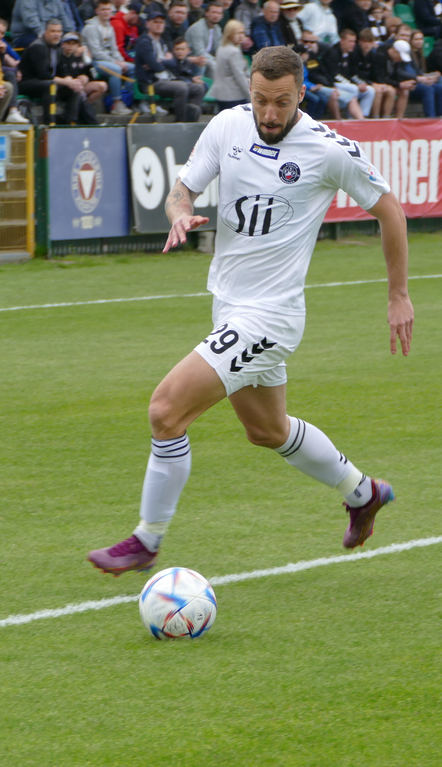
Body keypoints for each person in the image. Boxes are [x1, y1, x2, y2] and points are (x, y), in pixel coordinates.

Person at [87, 44, 413, 577]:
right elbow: (181, 191)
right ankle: (363, 492)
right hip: (229, 307)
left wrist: (398, 295)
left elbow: (391, 212)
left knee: (166, 411)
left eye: (281, 102)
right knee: (267, 431)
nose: (269, 114)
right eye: (260, 100)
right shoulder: (227, 127)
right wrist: (181, 213)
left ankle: (146, 539)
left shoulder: (329, 151)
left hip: (270, 318)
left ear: (301, 94)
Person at [133, 8, 205, 121]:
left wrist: (161, 61)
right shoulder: (144, 42)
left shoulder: (162, 42)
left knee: (198, 88)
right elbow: (157, 67)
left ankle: (191, 118)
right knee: (181, 87)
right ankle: (180, 121)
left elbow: (174, 63)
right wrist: (163, 61)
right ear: (148, 24)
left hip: (167, 80)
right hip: (151, 83)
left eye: (161, 22)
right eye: (155, 22)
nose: (159, 25)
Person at [19, 18, 84, 123]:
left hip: (49, 82)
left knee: (75, 88)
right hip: (28, 83)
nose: (56, 34)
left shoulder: (58, 47)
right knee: (50, 85)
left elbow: (63, 69)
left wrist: (71, 81)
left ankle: (70, 122)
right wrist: (65, 81)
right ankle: (50, 123)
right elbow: (43, 74)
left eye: (59, 31)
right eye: (53, 31)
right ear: (45, 32)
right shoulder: (38, 46)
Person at [83, 0, 135, 114]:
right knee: (115, 70)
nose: (106, 12)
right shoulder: (91, 27)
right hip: (94, 62)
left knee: (133, 68)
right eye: (103, 9)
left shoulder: (109, 26)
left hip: (108, 60)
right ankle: (116, 104)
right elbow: (96, 52)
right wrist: (116, 63)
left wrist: (121, 61)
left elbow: (114, 48)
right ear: (97, 11)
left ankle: (127, 100)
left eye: (108, 9)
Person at [321, 28, 375, 116]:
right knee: (354, 88)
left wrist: (360, 83)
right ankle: (350, 117)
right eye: (350, 41)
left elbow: (352, 73)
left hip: (347, 83)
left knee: (370, 91)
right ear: (342, 40)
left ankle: (364, 116)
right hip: (333, 83)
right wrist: (354, 84)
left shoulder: (350, 54)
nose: (353, 44)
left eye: (354, 41)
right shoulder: (332, 53)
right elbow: (334, 75)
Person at [58, 30, 107, 116]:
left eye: (74, 44)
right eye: (69, 43)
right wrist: (74, 57)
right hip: (67, 87)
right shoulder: (63, 56)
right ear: (63, 44)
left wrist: (88, 62)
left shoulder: (82, 57)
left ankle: (85, 106)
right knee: (79, 83)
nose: (71, 46)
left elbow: (94, 76)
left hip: (82, 85)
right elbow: (65, 74)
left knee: (102, 86)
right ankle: (83, 111)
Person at [207, 18, 249, 107]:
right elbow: (240, 76)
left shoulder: (221, 48)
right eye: (238, 33)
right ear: (230, 34)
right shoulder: (234, 51)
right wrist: (250, 94)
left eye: (243, 33)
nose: (241, 36)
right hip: (234, 96)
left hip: (221, 95)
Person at [356, 27, 395, 116]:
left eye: (369, 42)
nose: (367, 45)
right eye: (364, 41)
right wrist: (371, 83)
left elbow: (378, 73)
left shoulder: (375, 56)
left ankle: (386, 118)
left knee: (391, 90)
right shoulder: (355, 55)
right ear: (360, 42)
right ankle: (375, 117)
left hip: (373, 82)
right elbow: (355, 73)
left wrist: (382, 83)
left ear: (373, 43)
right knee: (377, 91)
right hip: (362, 82)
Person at [11, 0, 77, 49]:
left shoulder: (57, 2)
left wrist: (72, 36)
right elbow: (31, 20)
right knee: (44, 45)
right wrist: (46, 36)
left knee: (71, 44)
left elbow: (64, 19)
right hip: (26, 36)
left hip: (50, 34)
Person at [185, 0, 224, 76]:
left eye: (219, 13)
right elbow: (199, 52)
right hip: (193, 61)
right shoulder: (197, 28)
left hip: (207, 59)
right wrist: (216, 60)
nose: (216, 15)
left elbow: (219, 49)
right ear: (206, 13)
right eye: (213, 12)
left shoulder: (217, 29)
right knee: (213, 65)